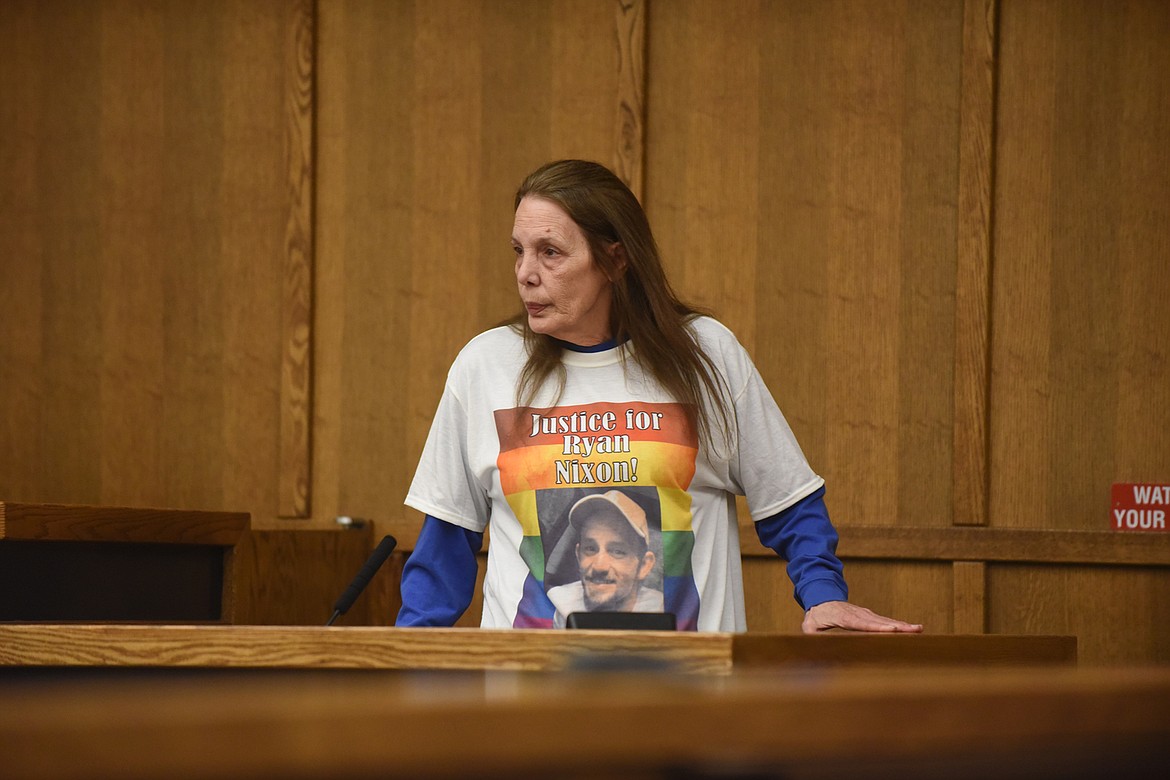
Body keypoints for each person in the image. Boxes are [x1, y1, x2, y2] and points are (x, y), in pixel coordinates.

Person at [397, 159, 922, 634]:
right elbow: (446, 542)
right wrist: (407, 669)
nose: (525, 274)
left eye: (550, 253)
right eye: (519, 251)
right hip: (531, 709)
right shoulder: (485, 365)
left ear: (615, 260)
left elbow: (790, 503)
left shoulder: (706, 354)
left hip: (686, 706)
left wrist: (822, 596)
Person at [546, 490, 664, 628]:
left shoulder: (662, 609)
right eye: (590, 549)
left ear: (644, 566)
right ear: (578, 555)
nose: (599, 566)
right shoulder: (561, 603)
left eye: (617, 551)